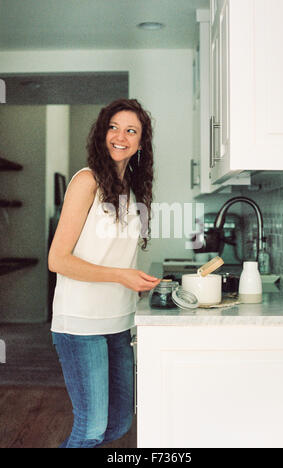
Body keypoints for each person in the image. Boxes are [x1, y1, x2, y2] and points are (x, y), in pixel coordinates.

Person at [48, 98, 161, 449]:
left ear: (141, 143)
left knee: (120, 422)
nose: (121, 136)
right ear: (102, 133)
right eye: (114, 127)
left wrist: (133, 279)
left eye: (131, 131)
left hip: (118, 321)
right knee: (91, 428)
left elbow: (111, 254)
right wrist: (120, 276)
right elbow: (58, 260)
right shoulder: (87, 181)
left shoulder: (131, 190)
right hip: (81, 323)